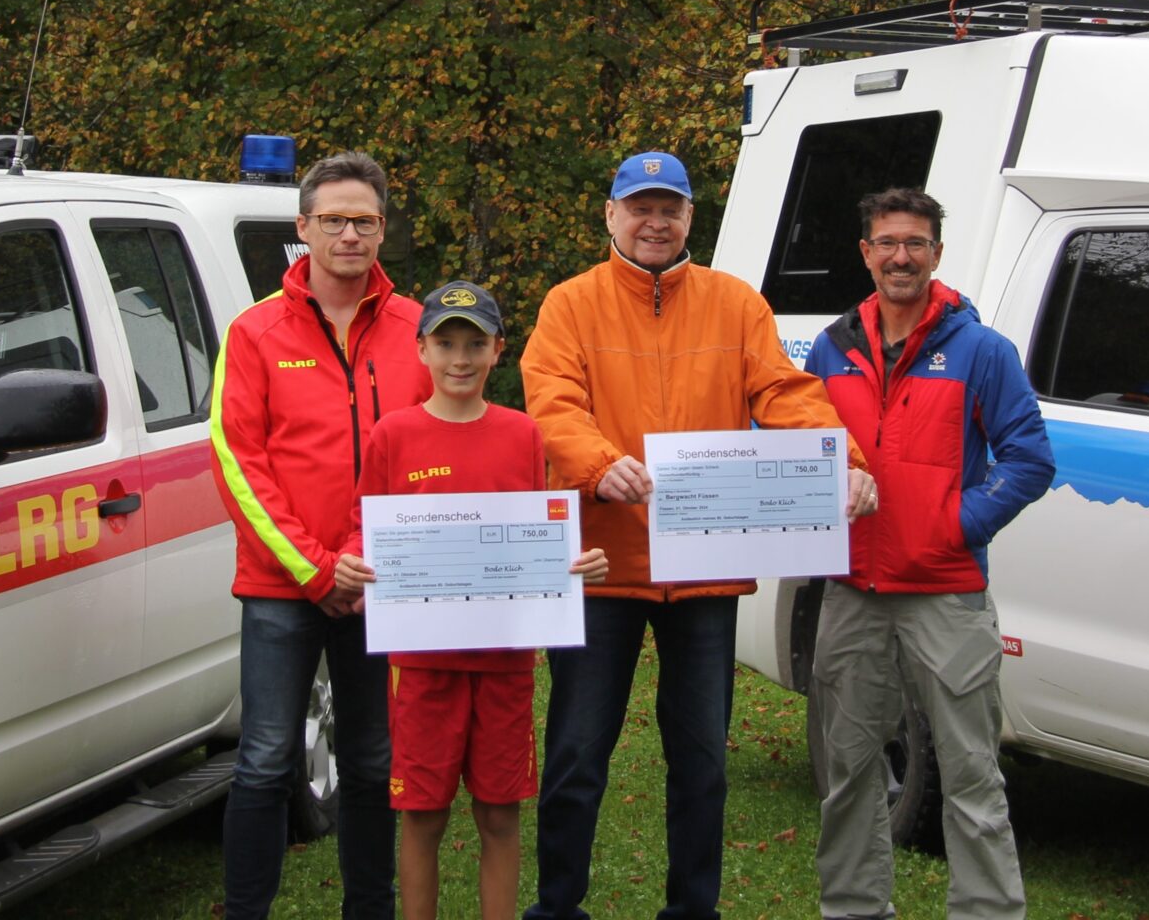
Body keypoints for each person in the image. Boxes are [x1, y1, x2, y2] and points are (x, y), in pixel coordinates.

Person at [520, 151, 877, 920]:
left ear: (689, 219)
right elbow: (550, 400)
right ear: (611, 214)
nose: (655, 222)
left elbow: (786, 393)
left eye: (670, 209)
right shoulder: (569, 304)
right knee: (578, 754)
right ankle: (557, 908)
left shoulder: (736, 304)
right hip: (605, 564)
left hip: (706, 568)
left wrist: (842, 461)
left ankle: (693, 910)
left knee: (702, 763)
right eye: (640, 207)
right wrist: (596, 463)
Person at [806, 187, 1054, 920]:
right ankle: (853, 909)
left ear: (937, 254)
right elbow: (797, 450)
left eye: (915, 243)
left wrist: (956, 524)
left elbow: (1029, 458)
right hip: (853, 592)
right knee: (849, 772)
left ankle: (986, 911)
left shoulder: (980, 350)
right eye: (887, 243)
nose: (901, 257)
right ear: (866, 254)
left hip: (946, 592)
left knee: (974, 775)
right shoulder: (833, 348)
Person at [341, 280, 609, 920]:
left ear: (498, 351)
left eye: (474, 344)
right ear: (422, 350)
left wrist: (572, 565)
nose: (460, 358)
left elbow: (537, 534)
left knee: (498, 811)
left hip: (504, 661)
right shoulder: (392, 436)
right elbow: (363, 523)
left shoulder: (522, 435)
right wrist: (357, 563)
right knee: (423, 815)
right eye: (446, 343)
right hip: (422, 663)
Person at [212, 150, 431, 920]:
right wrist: (316, 566)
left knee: (373, 762)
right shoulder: (254, 331)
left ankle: (368, 909)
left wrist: (364, 562)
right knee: (265, 761)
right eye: (333, 220)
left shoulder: (419, 330)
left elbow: (439, 447)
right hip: (282, 585)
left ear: (382, 230)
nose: (349, 234)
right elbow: (240, 461)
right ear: (302, 228)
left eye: (364, 221)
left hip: (382, 581)